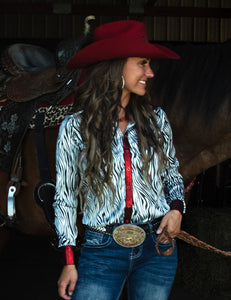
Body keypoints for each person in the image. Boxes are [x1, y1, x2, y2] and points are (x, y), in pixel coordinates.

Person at [53, 20, 186, 300]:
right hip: (101, 251)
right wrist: (68, 260)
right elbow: (65, 196)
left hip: (156, 246)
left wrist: (176, 210)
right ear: (115, 68)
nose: (149, 73)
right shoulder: (75, 127)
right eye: (142, 63)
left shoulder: (156, 119)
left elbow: (172, 174)